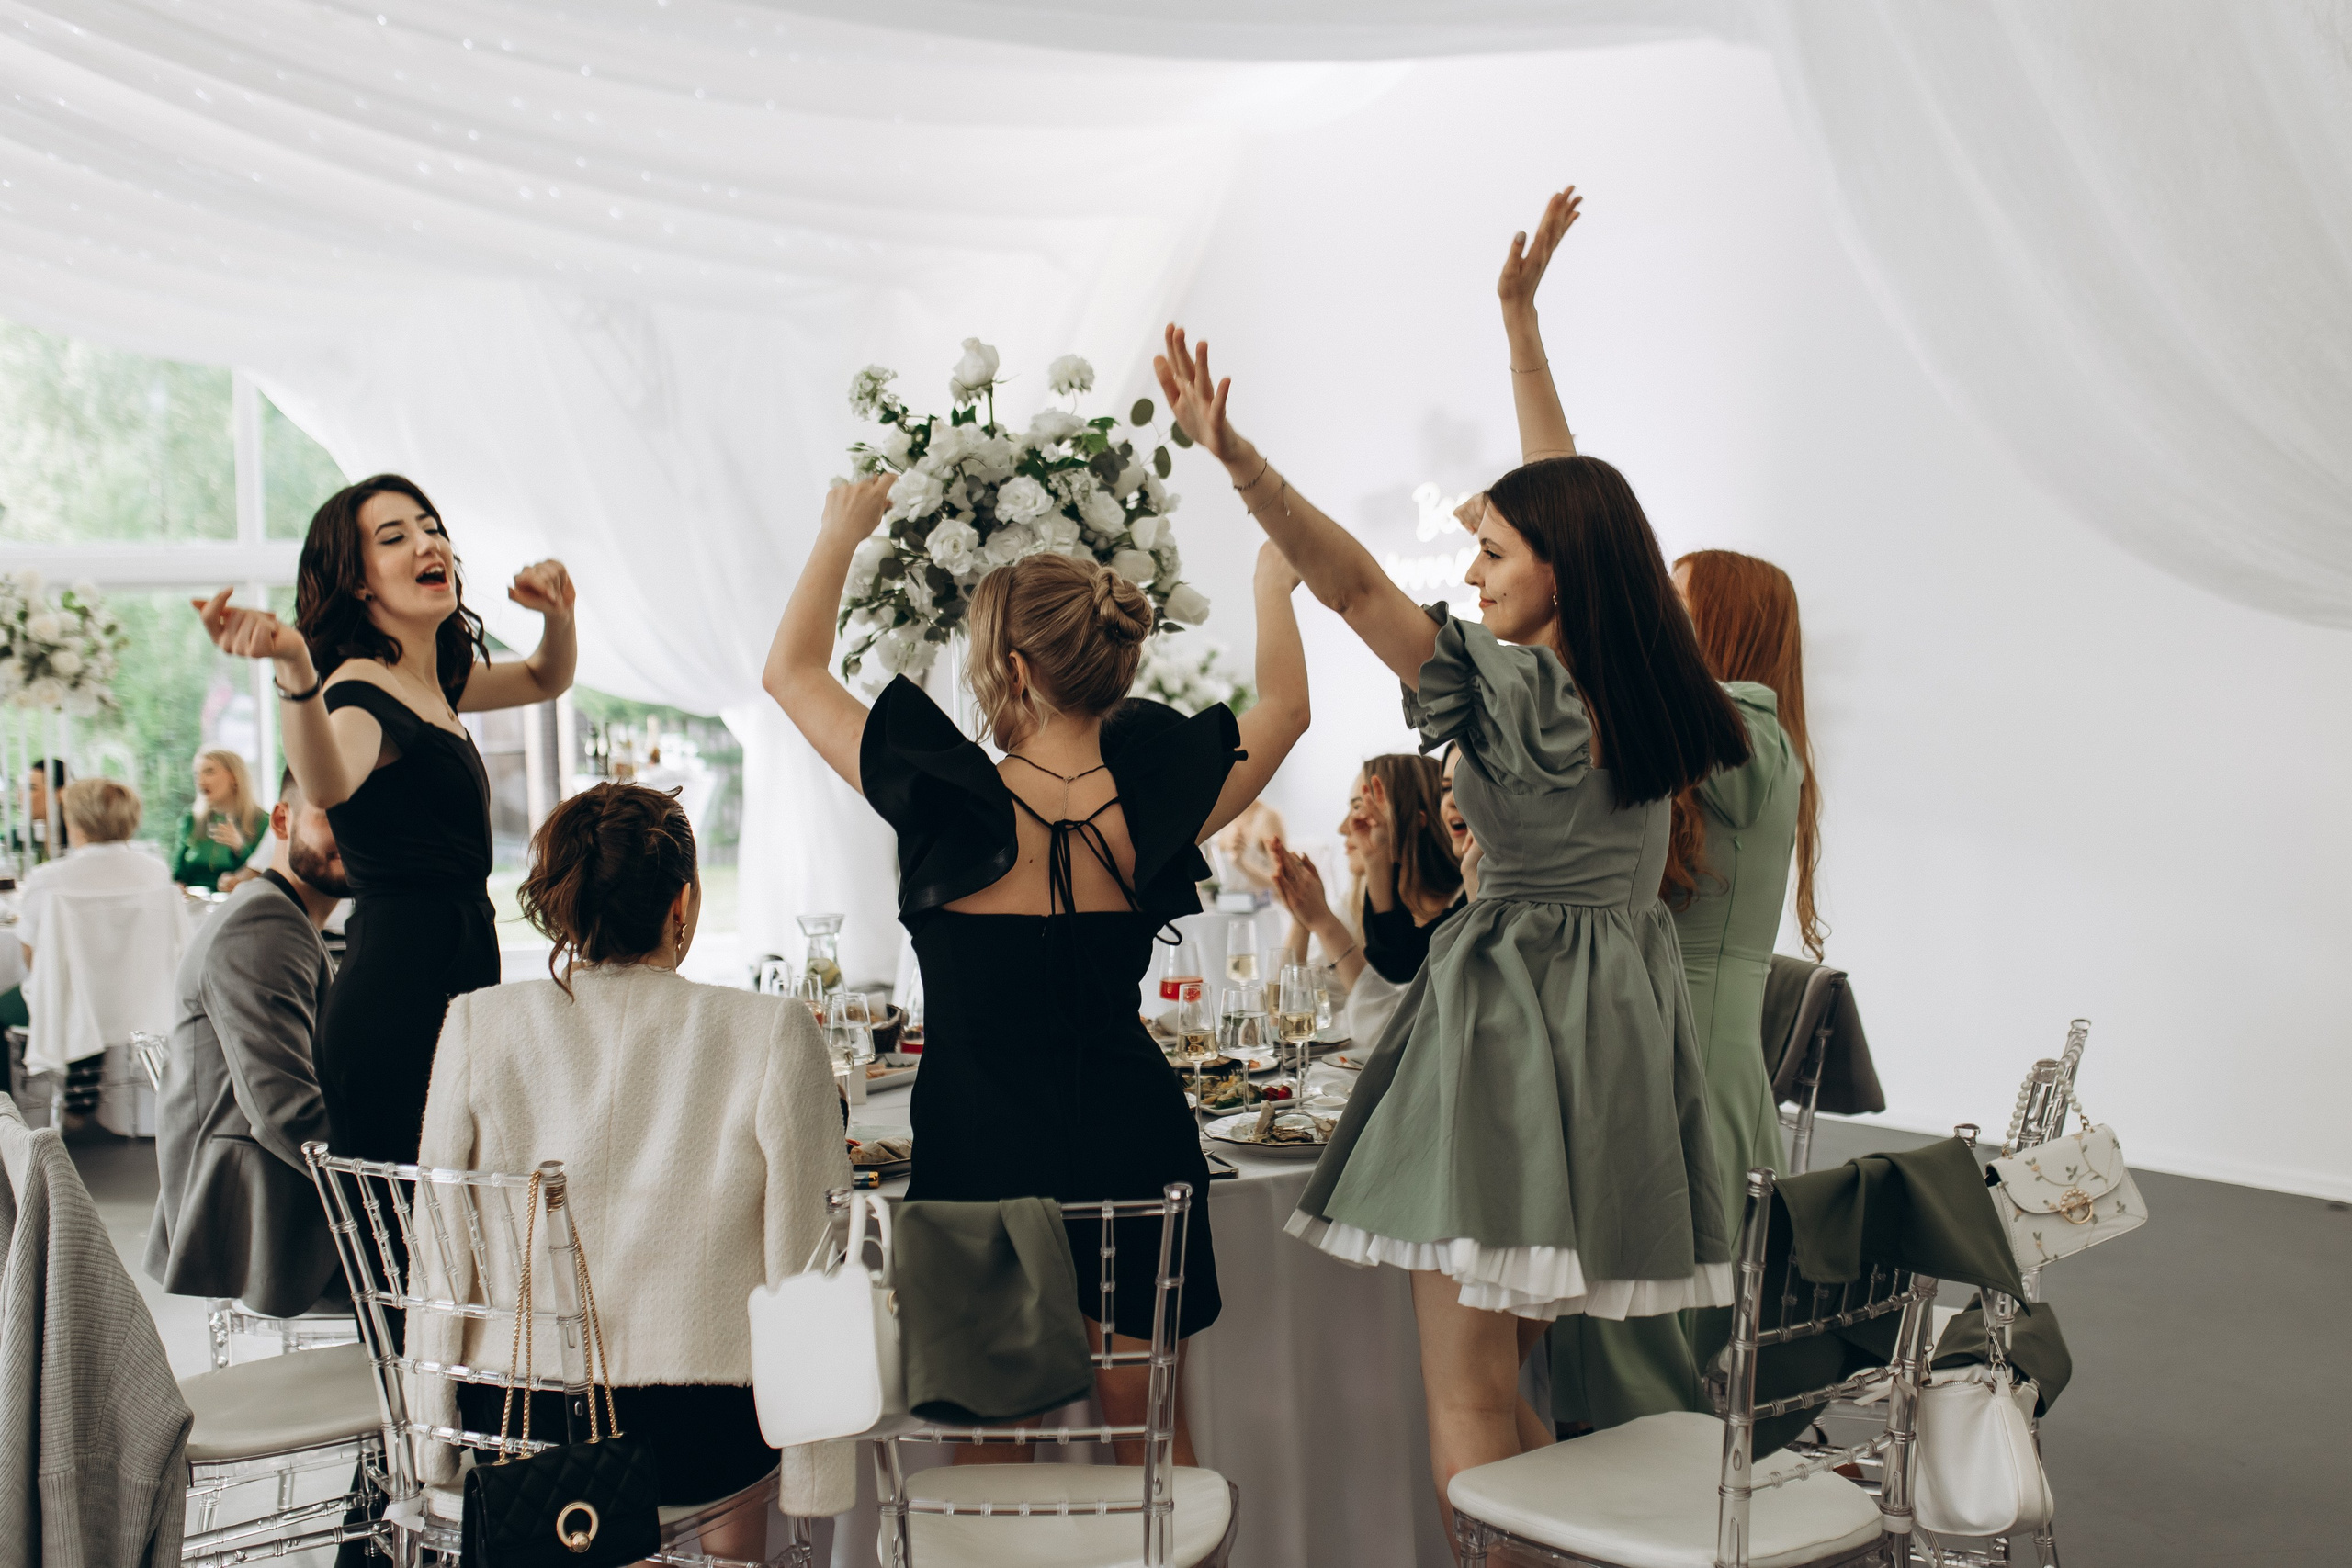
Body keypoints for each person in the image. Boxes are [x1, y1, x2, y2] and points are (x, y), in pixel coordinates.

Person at [1155, 180, 1753, 1531]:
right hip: (1613, 1047)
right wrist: (1519, 326)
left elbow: (1359, 585)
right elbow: (1581, 502)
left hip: (1506, 1043)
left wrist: (1241, 462)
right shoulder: (1643, 678)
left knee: (1469, 1405)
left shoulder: (1517, 693)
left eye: (1490, 550)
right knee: (1512, 1384)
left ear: (1556, 570)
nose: (1471, 568)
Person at [764, 479, 1310, 1464]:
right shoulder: (1155, 805)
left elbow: (792, 672)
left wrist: (839, 530)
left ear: (1010, 667)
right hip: (1133, 1140)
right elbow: (1287, 707)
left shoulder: (944, 801)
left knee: (989, 1459)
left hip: (980, 1155)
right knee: (1155, 1455)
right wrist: (1274, 578)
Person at [413, 783, 854, 1533]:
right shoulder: (773, 1030)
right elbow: (809, 1265)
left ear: (563, 902)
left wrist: (435, 1439)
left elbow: (440, 1247)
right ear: (681, 904)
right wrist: (816, 1472)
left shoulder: (477, 1024)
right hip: (701, 1424)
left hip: (523, 1414)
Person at [192, 474, 576, 1163]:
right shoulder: (358, 686)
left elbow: (547, 677)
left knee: (445, 1237)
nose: (427, 541)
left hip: (452, 979)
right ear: (359, 582)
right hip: (397, 1003)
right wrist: (292, 663)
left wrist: (559, 611)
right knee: (417, 1246)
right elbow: (326, 780)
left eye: (431, 527)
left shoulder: (434, 678)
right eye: (394, 536)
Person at [1555, 547, 1826, 1429]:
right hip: (1709, 1052)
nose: (1657, 613)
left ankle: (1634, 1509)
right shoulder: (1743, 740)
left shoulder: (1743, 724)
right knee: (1666, 1306)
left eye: (1675, 599)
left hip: (1692, 1060)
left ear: (1728, 623)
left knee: (1637, 1308)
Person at [146, 770, 348, 1317]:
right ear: (282, 820)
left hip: (268, 1191)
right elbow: (283, 1112)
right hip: (261, 1224)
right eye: (332, 815)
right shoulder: (263, 921)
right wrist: (384, 1185)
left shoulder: (282, 914)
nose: (354, 834)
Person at [17, 778, 187, 1126]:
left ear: (74, 820)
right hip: (148, 1004)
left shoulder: (49, 878)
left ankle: (18, 1125)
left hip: (75, 1010)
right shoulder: (155, 871)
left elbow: (31, 957)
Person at [1271, 755, 1463, 1047]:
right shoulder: (1358, 905)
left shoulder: (1465, 907)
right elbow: (1282, 1019)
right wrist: (1301, 913)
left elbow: (1395, 1034)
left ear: (1415, 820)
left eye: (1359, 809)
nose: (1345, 828)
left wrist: (1322, 922)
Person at [170, 749, 269, 891]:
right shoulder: (190, 820)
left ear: (234, 777)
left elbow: (265, 876)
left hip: (240, 906)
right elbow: (177, 875)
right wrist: (177, 887)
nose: (200, 781)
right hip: (195, 908)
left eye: (209, 771)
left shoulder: (263, 823)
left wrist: (239, 849)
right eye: (196, 774)